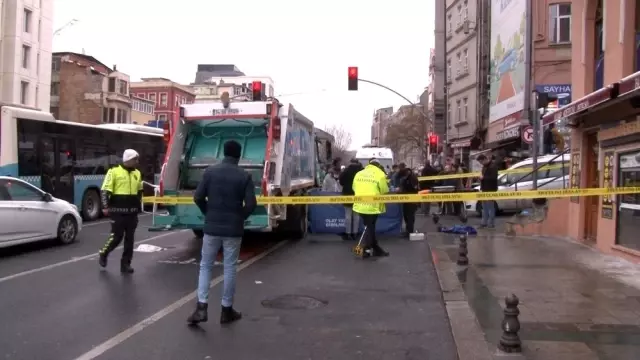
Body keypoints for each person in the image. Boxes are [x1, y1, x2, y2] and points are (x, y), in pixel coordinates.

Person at [187, 140, 257, 325]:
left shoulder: (210, 172)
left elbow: (198, 197)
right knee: (229, 267)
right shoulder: (244, 175)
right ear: (239, 155)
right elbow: (251, 204)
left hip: (212, 227)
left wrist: (207, 212)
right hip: (233, 229)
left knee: (206, 266)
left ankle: (201, 308)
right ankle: (227, 310)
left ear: (223, 154)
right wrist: (239, 217)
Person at [98, 149, 143, 274]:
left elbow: (139, 191)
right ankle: (104, 252)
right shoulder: (114, 172)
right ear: (128, 159)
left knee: (130, 240)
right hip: (117, 212)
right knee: (116, 237)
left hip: (132, 213)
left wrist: (138, 205)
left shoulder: (137, 173)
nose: (137, 162)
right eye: (135, 159)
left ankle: (126, 264)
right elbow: (105, 190)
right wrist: (106, 206)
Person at [352, 158, 390, 257]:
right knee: (370, 227)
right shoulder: (380, 174)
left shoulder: (359, 173)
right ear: (378, 165)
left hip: (360, 205)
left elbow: (354, 188)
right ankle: (366, 249)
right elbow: (384, 190)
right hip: (372, 207)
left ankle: (374, 248)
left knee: (369, 227)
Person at [339, 159, 363, 240]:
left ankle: (348, 233)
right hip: (358, 193)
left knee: (348, 215)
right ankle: (355, 233)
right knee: (356, 215)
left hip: (347, 194)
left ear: (351, 162)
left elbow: (341, 181)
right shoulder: (361, 171)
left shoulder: (346, 170)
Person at [396, 163, 419, 237]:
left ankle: (410, 231)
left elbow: (415, 189)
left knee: (410, 216)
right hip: (406, 199)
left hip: (412, 200)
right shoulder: (406, 177)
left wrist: (402, 191)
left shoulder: (412, 178)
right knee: (406, 215)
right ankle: (408, 230)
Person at [476, 154, 499, 228]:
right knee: (484, 207)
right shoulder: (484, 167)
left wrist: (483, 178)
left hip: (490, 189)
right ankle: (484, 222)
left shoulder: (493, 166)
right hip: (484, 189)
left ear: (485, 159)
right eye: (480, 162)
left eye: (481, 162)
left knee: (490, 207)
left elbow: (493, 177)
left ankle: (491, 223)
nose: (481, 163)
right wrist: (481, 178)